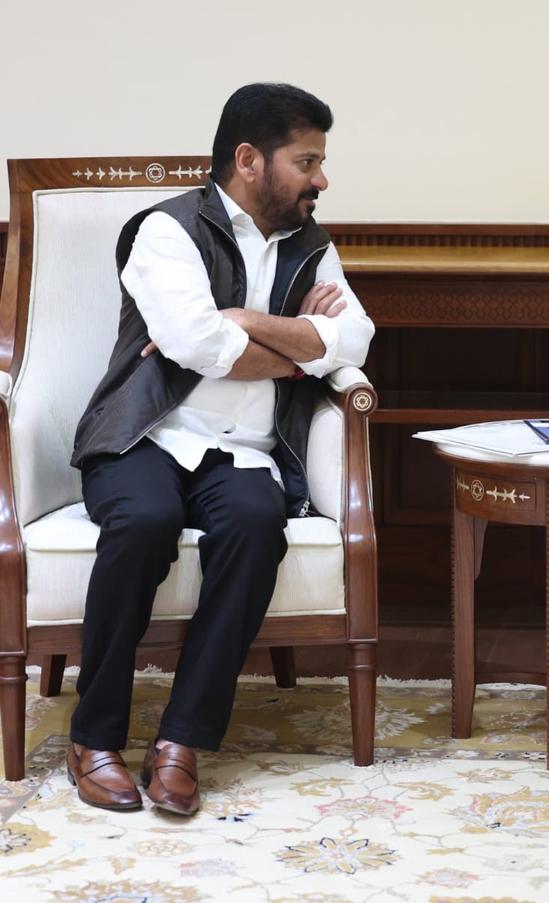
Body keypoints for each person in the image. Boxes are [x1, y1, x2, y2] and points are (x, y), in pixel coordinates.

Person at [65, 83, 375, 815]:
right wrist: (301, 346)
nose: (321, 179)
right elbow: (197, 344)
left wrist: (242, 319)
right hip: (146, 434)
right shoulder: (166, 231)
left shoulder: (311, 244)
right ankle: (94, 735)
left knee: (254, 525)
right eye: (307, 161)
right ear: (248, 159)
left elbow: (357, 338)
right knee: (140, 523)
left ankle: (181, 742)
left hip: (244, 452)